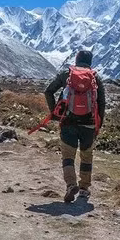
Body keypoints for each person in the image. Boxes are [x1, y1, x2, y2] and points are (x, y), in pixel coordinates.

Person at [44, 50, 105, 203]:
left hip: (68, 122)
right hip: (89, 124)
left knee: (68, 156)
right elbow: (102, 103)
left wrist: (55, 113)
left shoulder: (66, 74)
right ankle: (84, 189)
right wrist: (98, 125)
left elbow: (48, 91)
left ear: (76, 60)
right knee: (86, 156)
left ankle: (71, 185)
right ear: (90, 61)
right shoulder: (95, 77)